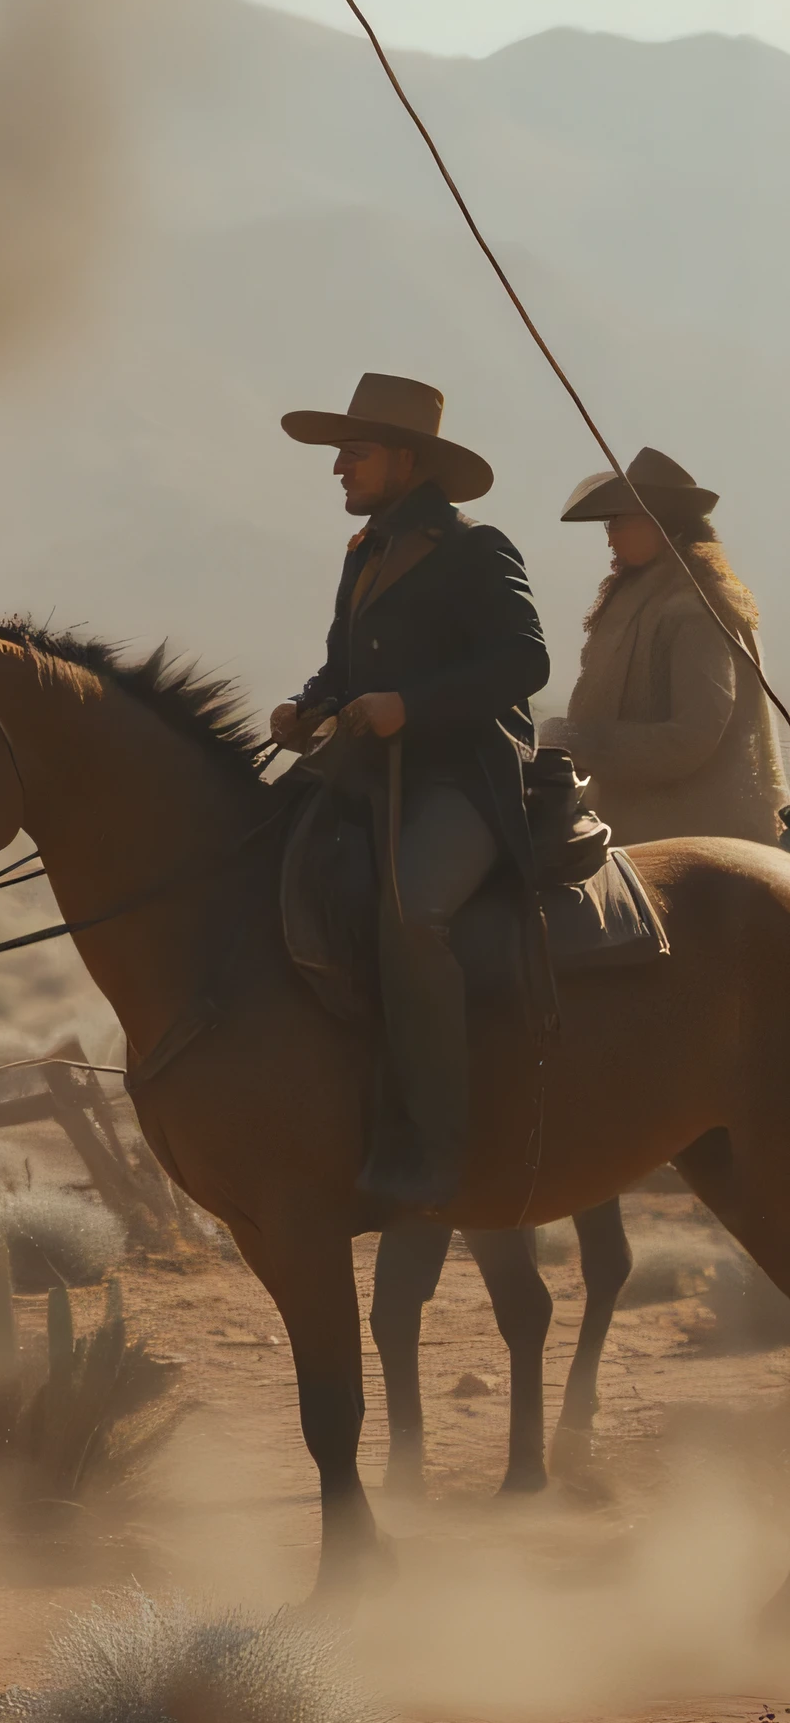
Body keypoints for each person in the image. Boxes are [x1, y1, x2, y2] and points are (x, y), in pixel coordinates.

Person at [268, 366, 549, 1212]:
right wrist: (309, 703)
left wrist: (410, 708)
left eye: (352, 453)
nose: (338, 469)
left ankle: (437, 1145)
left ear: (405, 461)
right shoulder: (364, 552)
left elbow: (525, 660)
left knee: (412, 910)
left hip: (464, 778)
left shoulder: (476, 548)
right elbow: (346, 665)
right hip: (368, 771)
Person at [555, 445, 786, 847]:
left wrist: (580, 743)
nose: (610, 540)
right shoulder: (651, 601)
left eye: (618, 524)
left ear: (657, 523)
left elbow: (691, 737)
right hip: (653, 837)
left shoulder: (694, 610)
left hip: (700, 850)